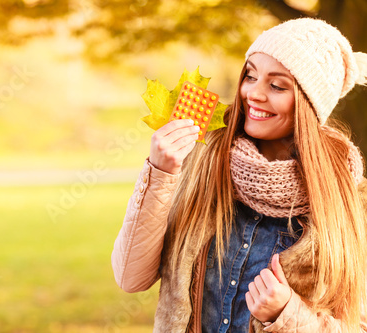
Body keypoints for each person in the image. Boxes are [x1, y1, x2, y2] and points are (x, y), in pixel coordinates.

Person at [111, 17, 367, 332]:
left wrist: (286, 314)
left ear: (309, 105)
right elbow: (130, 277)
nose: (253, 94)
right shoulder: (200, 162)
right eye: (250, 75)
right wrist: (159, 173)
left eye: (276, 85)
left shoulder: (351, 200)